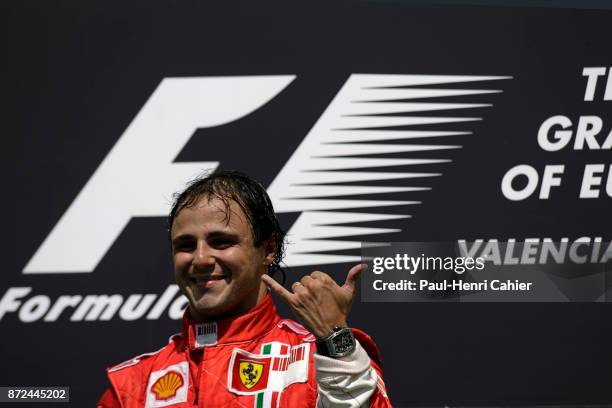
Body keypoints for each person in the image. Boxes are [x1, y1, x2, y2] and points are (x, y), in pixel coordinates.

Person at [98, 170, 391, 407]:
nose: (200, 259)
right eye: (185, 246)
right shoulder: (132, 385)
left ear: (268, 248)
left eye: (221, 242)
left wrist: (336, 341)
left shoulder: (318, 359)